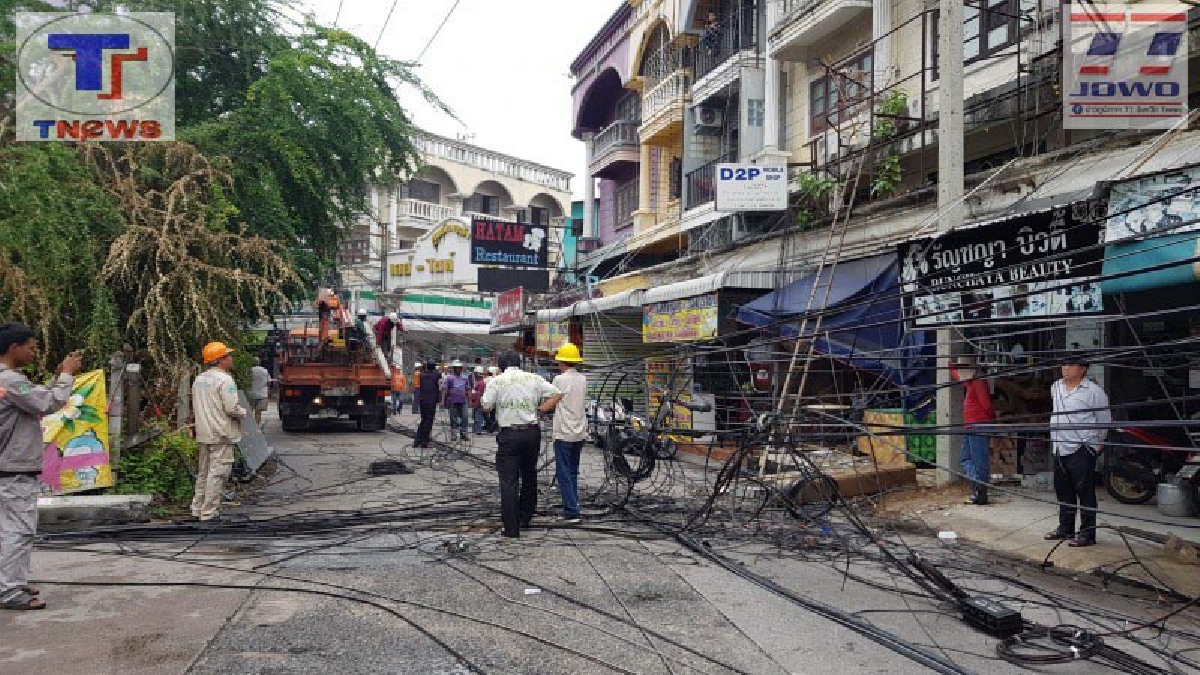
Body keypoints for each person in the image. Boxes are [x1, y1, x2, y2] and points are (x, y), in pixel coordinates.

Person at [0, 323, 81, 611]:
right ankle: (10, 592)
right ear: (14, 348)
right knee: (18, 532)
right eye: (32, 348)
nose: (35, 353)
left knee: (6, 531)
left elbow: (35, 400)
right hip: (13, 471)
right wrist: (68, 375)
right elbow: (48, 402)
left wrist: (59, 377)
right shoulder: (10, 380)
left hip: (6, 470)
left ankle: (10, 582)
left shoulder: (9, 382)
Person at [481, 352, 562, 539]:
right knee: (529, 475)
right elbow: (558, 393)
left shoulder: (497, 381)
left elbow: (486, 405)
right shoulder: (534, 378)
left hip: (510, 435)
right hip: (531, 433)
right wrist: (543, 408)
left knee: (509, 481)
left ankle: (511, 528)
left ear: (501, 366)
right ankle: (525, 518)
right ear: (519, 364)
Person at [1046, 357, 1111, 548]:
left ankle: (1087, 534)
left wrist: (1096, 444)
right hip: (1059, 445)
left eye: (1070, 365)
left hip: (1082, 446)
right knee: (1063, 490)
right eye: (1063, 364)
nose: (1065, 368)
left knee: (1085, 492)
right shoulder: (1056, 387)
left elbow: (1104, 420)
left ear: (1083, 369)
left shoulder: (1093, 392)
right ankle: (1065, 528)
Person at [190, 342, 247, 524]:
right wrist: (243, 412)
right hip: (221, 433)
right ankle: (209, 514)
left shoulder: (199, 379)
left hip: (204, 432)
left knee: (204, 472)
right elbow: (231, 408)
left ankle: (197, 509)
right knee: (218, 473)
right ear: (220, 360)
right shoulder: (225, 380)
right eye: (228, 356)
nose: (231, 359)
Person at [550, 344, 587, 524]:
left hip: (564, 432)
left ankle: (572, 511)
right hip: (579, 432)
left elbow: (550, 401)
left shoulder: (560, 380)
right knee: (572, 472)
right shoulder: (582, 379)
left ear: (562, 362)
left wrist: (539, 409)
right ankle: (574, 504)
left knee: (563, 472)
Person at [951, 356, 995, 506]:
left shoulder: (978, 382)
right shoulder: (970, 382)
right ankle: (978, 486)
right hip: (971, 426)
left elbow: (987, 405)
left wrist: (990, 422)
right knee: (966, 458)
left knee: (978, 460)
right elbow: (958, 376)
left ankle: (980, 490)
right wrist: (950, 366)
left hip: (979, 425)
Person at [442, 360, 471, 441]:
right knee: (453, 418)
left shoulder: (465, 378)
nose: (459, 369)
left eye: (460, 368)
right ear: (454, 369)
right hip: (453, 400)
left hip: (463, 400)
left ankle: (463, 433)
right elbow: (445, 389)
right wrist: (443, 400)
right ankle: (454, 435)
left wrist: (470, 400)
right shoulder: (450, 378)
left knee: (465, 417)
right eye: (457, 368)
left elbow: (468, 389)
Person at [414, 361, 441, 448]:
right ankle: (424, 442)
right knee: (429, 421)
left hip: (423, 401)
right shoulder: (436, 375)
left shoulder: (421, 375)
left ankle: (417, 441)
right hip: (431, 402)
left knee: (423, 420)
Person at [249, 357, 272, 430]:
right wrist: (268, 392)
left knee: (249, 412)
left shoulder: (249, 371)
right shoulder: (264, 371)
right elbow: (269, 382)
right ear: (259, 362)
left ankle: (249, 427)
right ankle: (256, 427)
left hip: (251, 394)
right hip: (262, 394)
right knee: (258, 412)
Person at [470, 366, 487, 435]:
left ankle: (478, 430)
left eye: (475, 373)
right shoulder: (478, 382)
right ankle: (475, 429)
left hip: (478, 403)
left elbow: (479, 394)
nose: (474, 375)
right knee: (475, 417)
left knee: (478, 417)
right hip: (476, 402)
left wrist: (476, 403)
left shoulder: (480, 383)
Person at [485, 366, 500, 432]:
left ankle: (490, 425)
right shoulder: (497, 380)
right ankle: (492, 426)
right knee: (492, 414)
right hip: (495, 400)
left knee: (485, 414)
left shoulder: (485, 380)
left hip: (487, 399)